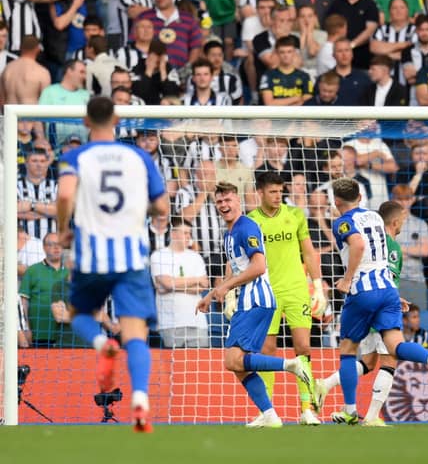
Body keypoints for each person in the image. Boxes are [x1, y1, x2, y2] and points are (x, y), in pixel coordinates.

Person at [56, 96, 170, 432]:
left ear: (86, 122)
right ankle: (139, 399)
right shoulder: (138, 156)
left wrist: (64, 230)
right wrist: (139, 209)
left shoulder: (74, 156)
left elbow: (64, 195)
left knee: (78, 314)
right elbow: (162, 206)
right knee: (136, 334)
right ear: (117, 118)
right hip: (131, 258)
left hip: (91, 257)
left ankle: (101, 343)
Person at [327, 177, 428, 425]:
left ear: (336, 201)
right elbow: (381, 258)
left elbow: (358, 244)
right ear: (361, 198)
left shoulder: (342, 222)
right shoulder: (375, 217)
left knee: (348, 351)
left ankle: (350, 410)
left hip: (362, 290)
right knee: (395, 345)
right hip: (386, 289)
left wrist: (347, 278)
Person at [197, 181, 313, 429]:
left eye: (228, 200)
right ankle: (269, 414)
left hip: (256, 299)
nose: (223, 205)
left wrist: (227, 287)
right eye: (219, 202)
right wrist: (212, 293)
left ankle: (289, 365)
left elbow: (259, 266)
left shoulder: (246, 227)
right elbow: (239, 268)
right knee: (238, 364)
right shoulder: (231, 232)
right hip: (251, 299)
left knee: (233, 360)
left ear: (238, 201)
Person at [315, 199, 410, 427]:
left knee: (367, 362)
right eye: (404, 219)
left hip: (359, 301)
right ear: (396, 221)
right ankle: (371, 416)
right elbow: (387, 279)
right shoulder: (392, 247)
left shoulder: (367, 236)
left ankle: (325, 385)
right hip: (380, 307)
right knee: (390, 360)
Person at [247, 171, 325, 426]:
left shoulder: (295, 215)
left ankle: (307, 409)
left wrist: (318, 286)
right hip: (267, 291)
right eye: (273, 191)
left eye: (281, 191)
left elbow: (310, 253)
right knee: (267, 350)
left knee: (303, 347)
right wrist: (234, 293)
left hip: (296, 290)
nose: (278, 196)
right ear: (260, 192)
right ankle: (268, 412)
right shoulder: (251, 221)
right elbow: (241, 259)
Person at [150, 218, 209, 348]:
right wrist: (196, 279)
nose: (189, 237)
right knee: (175, 366)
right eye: (185, 233)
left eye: (190, 233)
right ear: (173, 234)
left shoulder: (196, 257)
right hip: (170, 323)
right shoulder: (159, 255)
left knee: (200, 366)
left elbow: (203, 286)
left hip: (197, 321)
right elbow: (167, 283)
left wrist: (172, 285)